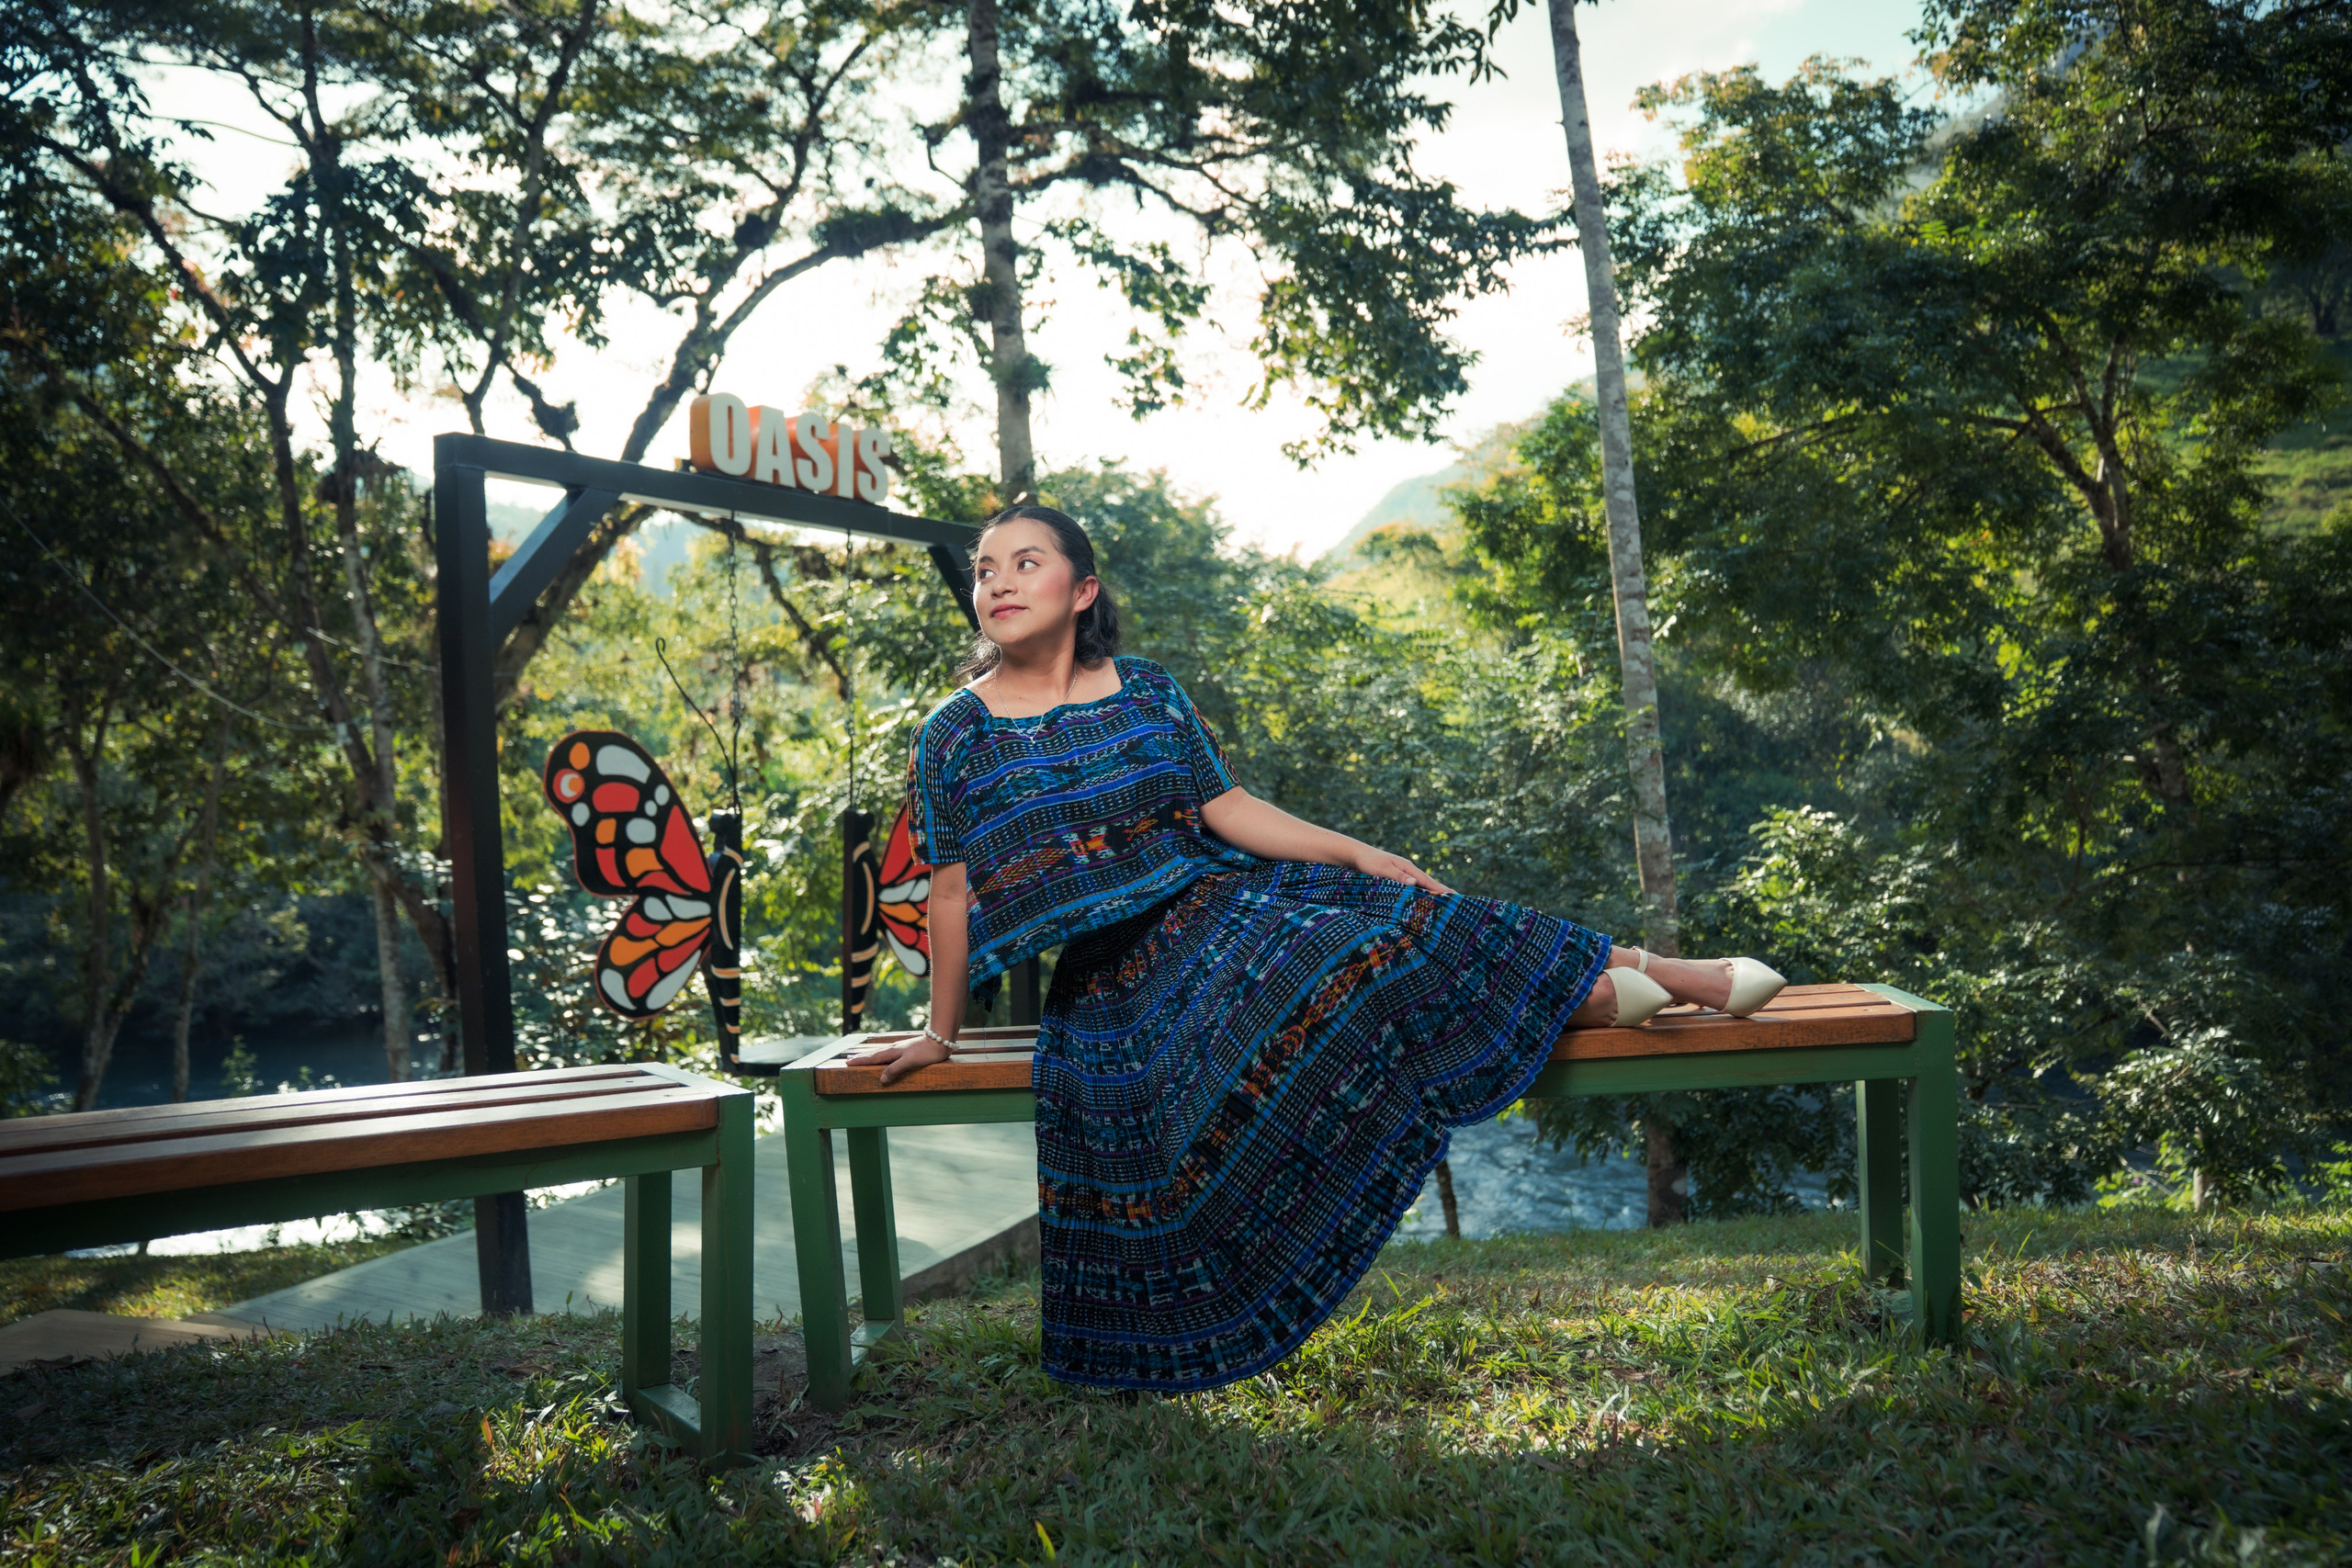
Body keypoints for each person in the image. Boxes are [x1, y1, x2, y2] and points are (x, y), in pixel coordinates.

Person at [852, 504, 1784, 1393]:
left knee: (1380, 917)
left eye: (1025, 563)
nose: (998, 584)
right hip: (1116, 983)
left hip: (1217, 906)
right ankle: (1624, 979)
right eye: (984, 571)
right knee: (1342, 962)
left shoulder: (1149, 694)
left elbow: (1228, 810)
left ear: (1082, 590)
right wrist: (940, 1032)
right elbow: (951, 887)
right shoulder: (954, 734)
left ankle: (1651, 974)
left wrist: (1358, 848)